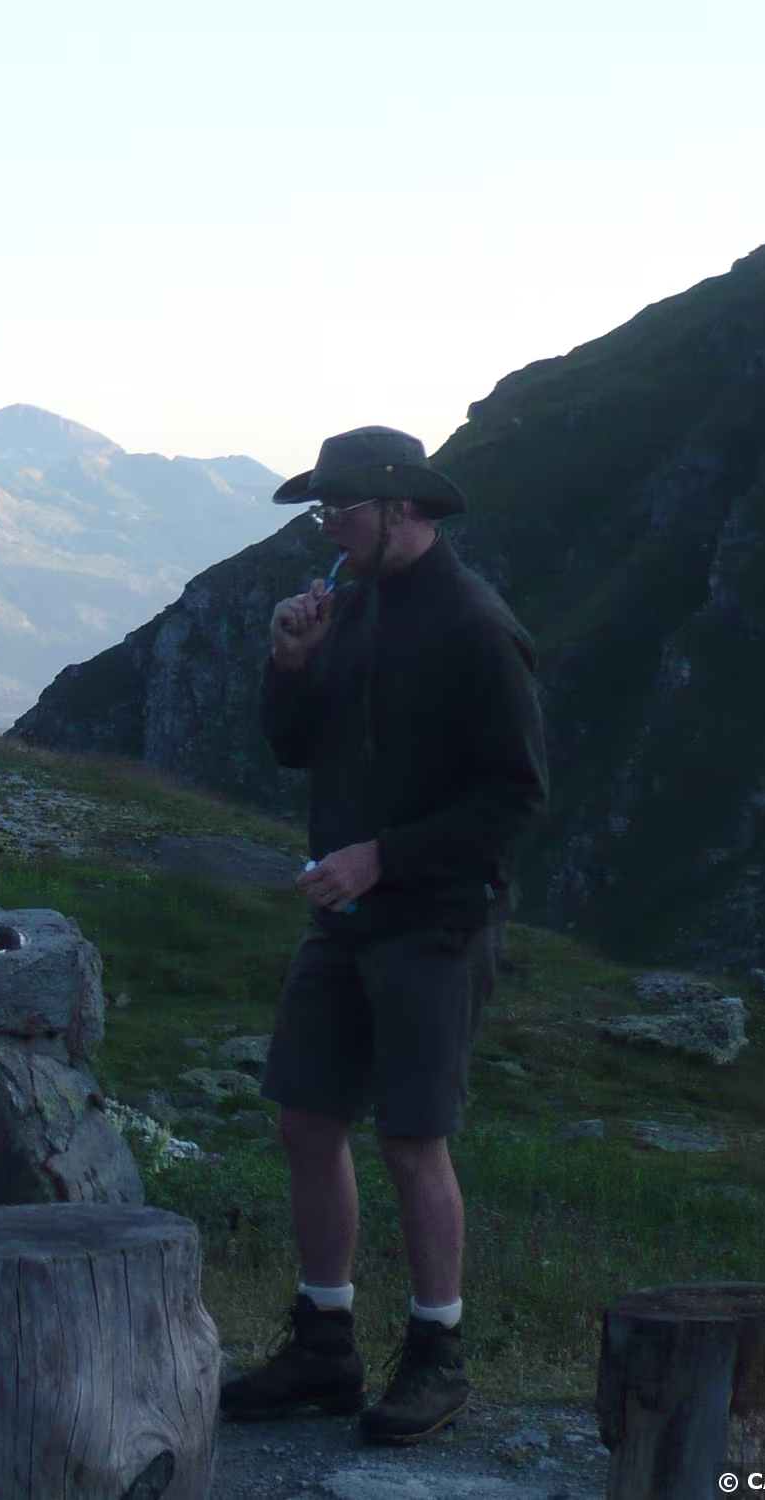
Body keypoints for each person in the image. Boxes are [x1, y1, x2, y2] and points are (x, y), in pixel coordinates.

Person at [218, 426, 547, 1445]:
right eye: (320, 509)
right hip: (344, 912)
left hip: (434, 917)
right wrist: (289, 663)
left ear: (402, 509)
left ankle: (437, 1355)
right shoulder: (352, 607)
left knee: (411, 1137)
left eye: (340, 509)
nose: (325, 527)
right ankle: (324, 1345)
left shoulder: (474, 625)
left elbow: (515, 795)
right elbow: (293, 747)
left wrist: (382, 857)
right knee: (306, 1118)